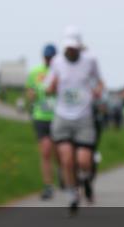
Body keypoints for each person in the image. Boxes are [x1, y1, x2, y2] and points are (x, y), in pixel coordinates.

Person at [45, 31, 105, 214]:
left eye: (73, 47)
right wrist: (51, 87)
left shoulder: (90, 61)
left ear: (79, 46)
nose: (70, 50)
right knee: (67, 159)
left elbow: (100, 82)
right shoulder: (57, 62)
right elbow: (48, 87)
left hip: (84, 117)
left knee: (84, 160)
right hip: (62, 116)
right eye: (67, 47)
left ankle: (85, 179)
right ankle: (73, 193)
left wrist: (98, 91)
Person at [26, 44, 59, 200]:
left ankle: (63, 173)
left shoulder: (60, 71)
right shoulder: (35, 72)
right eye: (46, 57)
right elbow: (30, 91)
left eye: (51, 57)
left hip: (59, 117)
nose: (49, 60)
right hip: (41, 116)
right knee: (45, 151)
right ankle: (48, 185)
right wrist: (33, 94)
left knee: (59, 152)